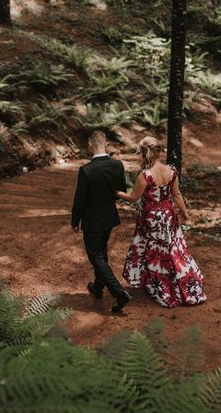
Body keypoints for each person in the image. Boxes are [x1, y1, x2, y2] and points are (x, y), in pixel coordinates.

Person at [116, 136, 206, 308]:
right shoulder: (171, 170)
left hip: (152, 219)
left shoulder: (145, 175)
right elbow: (177, 194)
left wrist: (116, 192)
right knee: (173, 249)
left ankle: (161, 287)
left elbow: (133, 197)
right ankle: (183, 283)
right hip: (169, 215)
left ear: (144, 153)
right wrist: (185, 213)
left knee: (155, 253)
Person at [71, 130, 133, 314]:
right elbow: (119, 191)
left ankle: (119, 293)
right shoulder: (117, 165)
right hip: (108, 217)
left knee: (96, 256)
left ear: (90, 144)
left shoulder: (86, 170)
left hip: (92, 220)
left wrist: (75, 220)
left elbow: (80, 199)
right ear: (106, 144)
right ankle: (98, 287)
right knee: (101, 251)